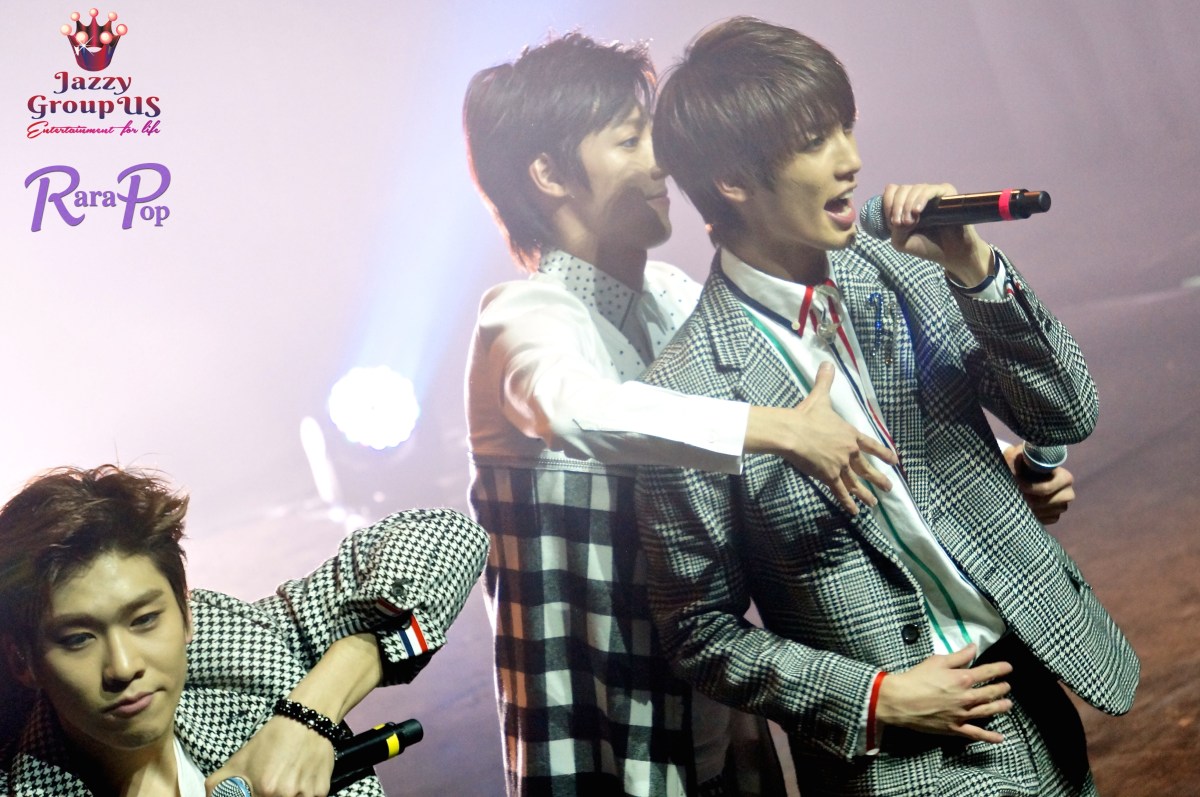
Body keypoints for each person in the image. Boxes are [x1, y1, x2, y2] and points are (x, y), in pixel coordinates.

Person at [636, 16, 1139, 796]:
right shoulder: (689, 391)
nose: (852, 160)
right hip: (903, 760)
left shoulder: (901, 269)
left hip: (1033, 695)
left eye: (846, 127)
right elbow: (699, 631)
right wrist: (874, 699)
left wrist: (973, 266)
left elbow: (1066, 413)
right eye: (815, 142)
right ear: (733, 179)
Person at [461, 31, 914, 797]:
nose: (661, 162)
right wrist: (776, 429)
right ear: (549, 174)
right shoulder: (522, 315)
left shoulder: (672, 295)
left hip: (715, 720)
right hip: (604, 738)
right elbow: (575, 409)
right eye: (630, 140)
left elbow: (810, 426)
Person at [0, 464, 488, 797]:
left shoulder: (241, 661)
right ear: (23, 660)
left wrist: (309, 714)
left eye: (145, 620)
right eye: (77, 639)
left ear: (186, 614)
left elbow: (451, 538)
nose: (123, 667)